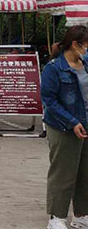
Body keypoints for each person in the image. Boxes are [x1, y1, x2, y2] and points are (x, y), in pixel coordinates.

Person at [41, 25, 88, 229]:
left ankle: (81, 215)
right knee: (63, 172)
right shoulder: (54, 68)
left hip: (85, 124)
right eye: (86, 46)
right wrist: (72, 122)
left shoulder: (86, 64)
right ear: (75, 45)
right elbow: (49, 100)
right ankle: (56, 217)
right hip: (62, 127)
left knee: (84, 173)